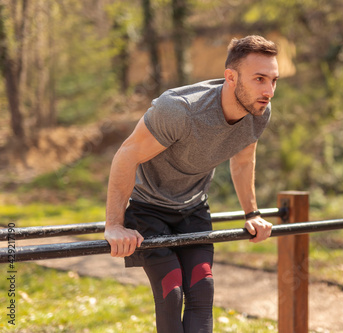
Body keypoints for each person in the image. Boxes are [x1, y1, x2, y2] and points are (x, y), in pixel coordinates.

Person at [104, 35, 279, 333]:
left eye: (273, 80)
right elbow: (126, 156)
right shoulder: (181, 110)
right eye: (259, 79)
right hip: (148, 209)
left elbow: (243, 160)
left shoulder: (257, 112)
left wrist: (252, 214)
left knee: (202, 287)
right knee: (171, 290)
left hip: (193, 208)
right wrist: (115, 225)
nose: (268, 91)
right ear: (231, 77)